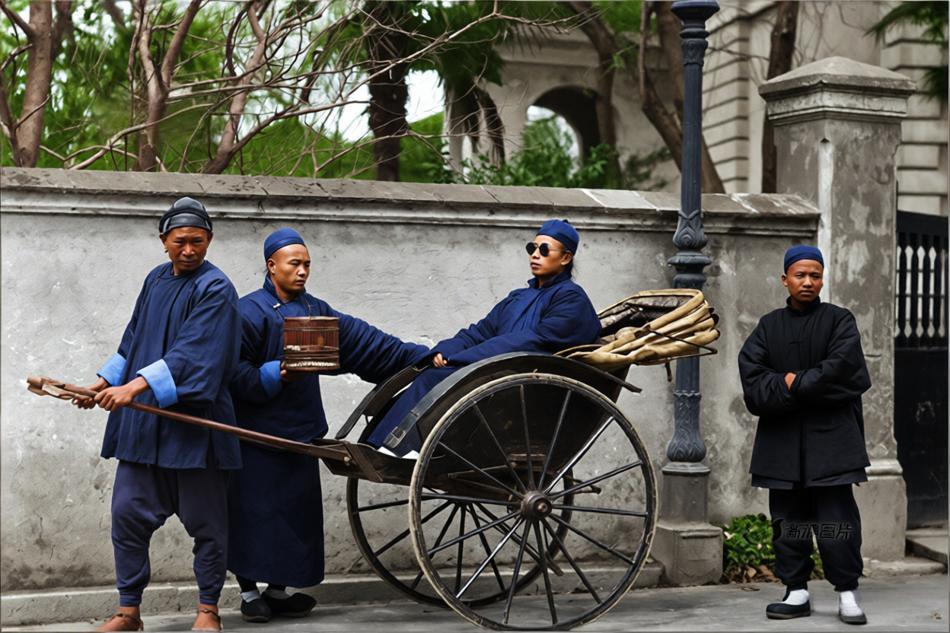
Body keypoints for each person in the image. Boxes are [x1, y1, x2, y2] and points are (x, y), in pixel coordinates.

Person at [227, 227, 429, 623]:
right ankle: (249, 592)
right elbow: (231, 373)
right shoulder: (245, 312)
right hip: (255, 433)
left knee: (294, 515)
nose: (302, 272)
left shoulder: (316, 311)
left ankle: (280, 590)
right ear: (271, 266)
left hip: (301, 433)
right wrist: (275, 374)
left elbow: (366, 345)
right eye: (294, 264)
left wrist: (424, 357)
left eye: (306, 264)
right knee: (252, 514)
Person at [72, 197, 241, 632]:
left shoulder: (216, 288)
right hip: (145, 425)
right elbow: (134, 339)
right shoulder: (154, 280)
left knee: (207, 526)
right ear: (164, 240)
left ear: (209, 241)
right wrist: (104, 382)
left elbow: (194, 354)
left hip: (193, 428)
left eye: (198, 242)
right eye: (180, 241)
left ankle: (208, 610)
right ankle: (129, 611)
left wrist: (133, 387)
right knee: (127, 516)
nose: (189, 250)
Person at [367, 219, 602, 456]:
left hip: (525, 385)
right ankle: (379, 444)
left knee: (441, 378)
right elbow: (481, 331)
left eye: (544, 250)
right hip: (497, 372)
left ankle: (402, 448)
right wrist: (446, 351)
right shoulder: (517, 297)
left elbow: (533, 341)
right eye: (532, 249)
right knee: (431, 373)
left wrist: (464, 359)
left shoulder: (571, 299)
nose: (535, 255)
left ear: (565, 258)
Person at [738, 245, 871, 625]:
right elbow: (753, 383)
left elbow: (845, 371)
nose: (808, 282)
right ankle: (795, 590)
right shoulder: (768, 326)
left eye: (815, 275)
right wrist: (795, 386)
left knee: (837, 521)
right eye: (800, 275)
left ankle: (847, 592)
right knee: (788, 520)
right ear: (785, 279)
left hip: (832, 442)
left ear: (823, 278)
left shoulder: (840, 321)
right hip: (781, 443)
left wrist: (792, 384)